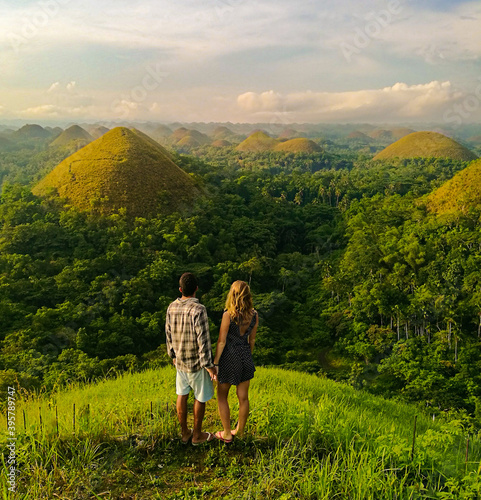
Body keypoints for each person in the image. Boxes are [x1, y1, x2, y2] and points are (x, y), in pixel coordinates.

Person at [165, 272, 217, 445]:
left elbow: (168, 335)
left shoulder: (171, 307)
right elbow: (203, 340)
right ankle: (197, 435)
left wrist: (172, 355)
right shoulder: (198, 309)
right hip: (196, 363)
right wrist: (209, 366)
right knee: (200, 397)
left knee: (182, 394)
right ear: (196, 289)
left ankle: (184, 433)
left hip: (180, 361)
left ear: (180, 289)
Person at [213, 280, 259, 443]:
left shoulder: (228, 315)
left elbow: (221, 341)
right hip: (245, 354)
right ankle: (239, 432)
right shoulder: (254, 314)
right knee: (243, 398)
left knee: (222, 395)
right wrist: (248, 354)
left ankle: (226, 433)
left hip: (229, 356)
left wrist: (216, 362)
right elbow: (252, 340)